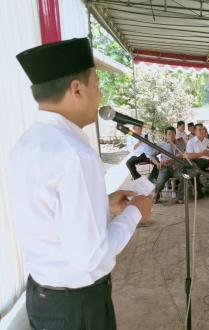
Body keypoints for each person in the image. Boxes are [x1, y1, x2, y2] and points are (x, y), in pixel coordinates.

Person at [9, 38, 152, 329]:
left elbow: (50, 217)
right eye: (97, 86)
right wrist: (135, 212)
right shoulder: (75, 154)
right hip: (78, 308)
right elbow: (90, 256)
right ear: (77, 89)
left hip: (43, 296)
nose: (99, 96)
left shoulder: (27, 143)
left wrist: (102, 205)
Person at [151, 126, 186, 204]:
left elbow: (184, 154)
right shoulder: (161, 144)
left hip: (176, 167)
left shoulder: (180, 143)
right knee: (159, 183)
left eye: (173, 134)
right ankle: (156, 197)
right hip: (164, 168)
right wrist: (157, 163)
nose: (171, 136)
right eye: (169, 134)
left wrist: (173, 159)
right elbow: (152, 155)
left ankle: (180, 197)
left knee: (184, 178)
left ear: (175, 134)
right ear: (166, 135)